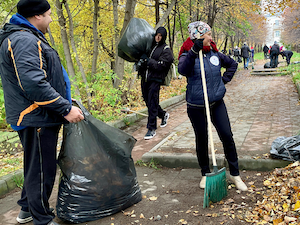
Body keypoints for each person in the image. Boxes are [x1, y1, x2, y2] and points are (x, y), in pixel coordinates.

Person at [0, 0, 84, 225]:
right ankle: (42, 219)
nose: (51, 19)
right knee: (42, 170)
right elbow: (33, 83)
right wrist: (65, 108)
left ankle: (27, 209)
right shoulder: (24, 40)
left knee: (35, 164)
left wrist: (66, 98)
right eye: (48, 14)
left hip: (40, 113)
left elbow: (43, 76)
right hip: (36, 115)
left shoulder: (27, 36)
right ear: (37, 16)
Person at [177, 21, 248, 191]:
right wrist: (194, 51)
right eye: (208, 34)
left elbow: (232, 64)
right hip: (196, 106)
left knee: (227, 135)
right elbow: (183, 70)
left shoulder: (214, 53)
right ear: (198, 36)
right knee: (202, 139)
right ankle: (205, 172)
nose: (211, 37)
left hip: (216, 103)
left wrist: (223, 82)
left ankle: (235, 174)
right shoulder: (187, 54)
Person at [137, 27, 174, 140]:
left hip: (155, 79)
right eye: (156, 35)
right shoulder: (150, 46)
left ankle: (151, 129)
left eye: (160, 35)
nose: (158, 37)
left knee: (152, 103)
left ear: (163, 37)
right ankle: (163, 115)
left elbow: (161, 65)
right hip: (145, 79)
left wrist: (148, 61)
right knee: (148, 102)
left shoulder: (166, 50)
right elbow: (145, 61)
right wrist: (142, 61)